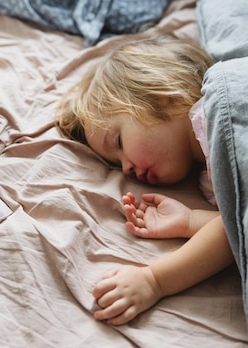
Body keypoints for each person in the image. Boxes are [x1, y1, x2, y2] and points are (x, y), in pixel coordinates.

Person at [56, 33, 235, 326]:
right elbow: (241, 221)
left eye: (119, 142)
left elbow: (234, 232)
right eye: (116, 163)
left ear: (160, 93)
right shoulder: (208, 175)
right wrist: (189, 221)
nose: (125, 169)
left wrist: (154, 280)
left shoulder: (220, 114)